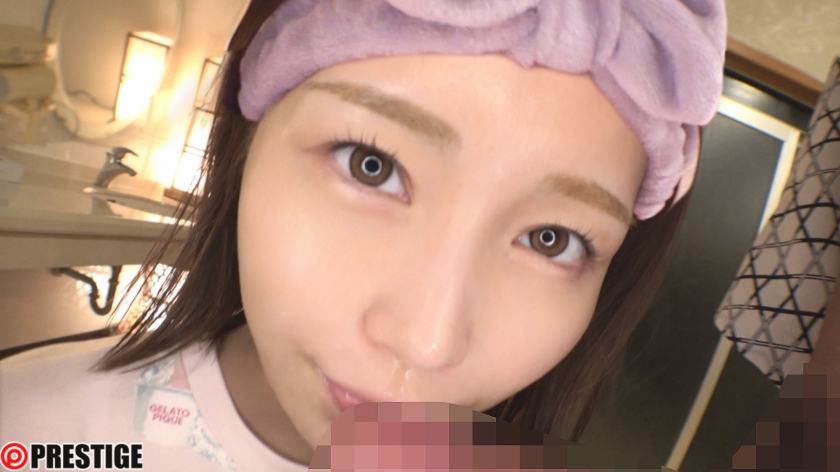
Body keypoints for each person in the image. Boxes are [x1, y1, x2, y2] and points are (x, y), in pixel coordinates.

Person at [6, 1, 829, 471]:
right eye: (371, 166)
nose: (427, 341)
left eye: (552, 239)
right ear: (246, 141)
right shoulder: (32, 435)